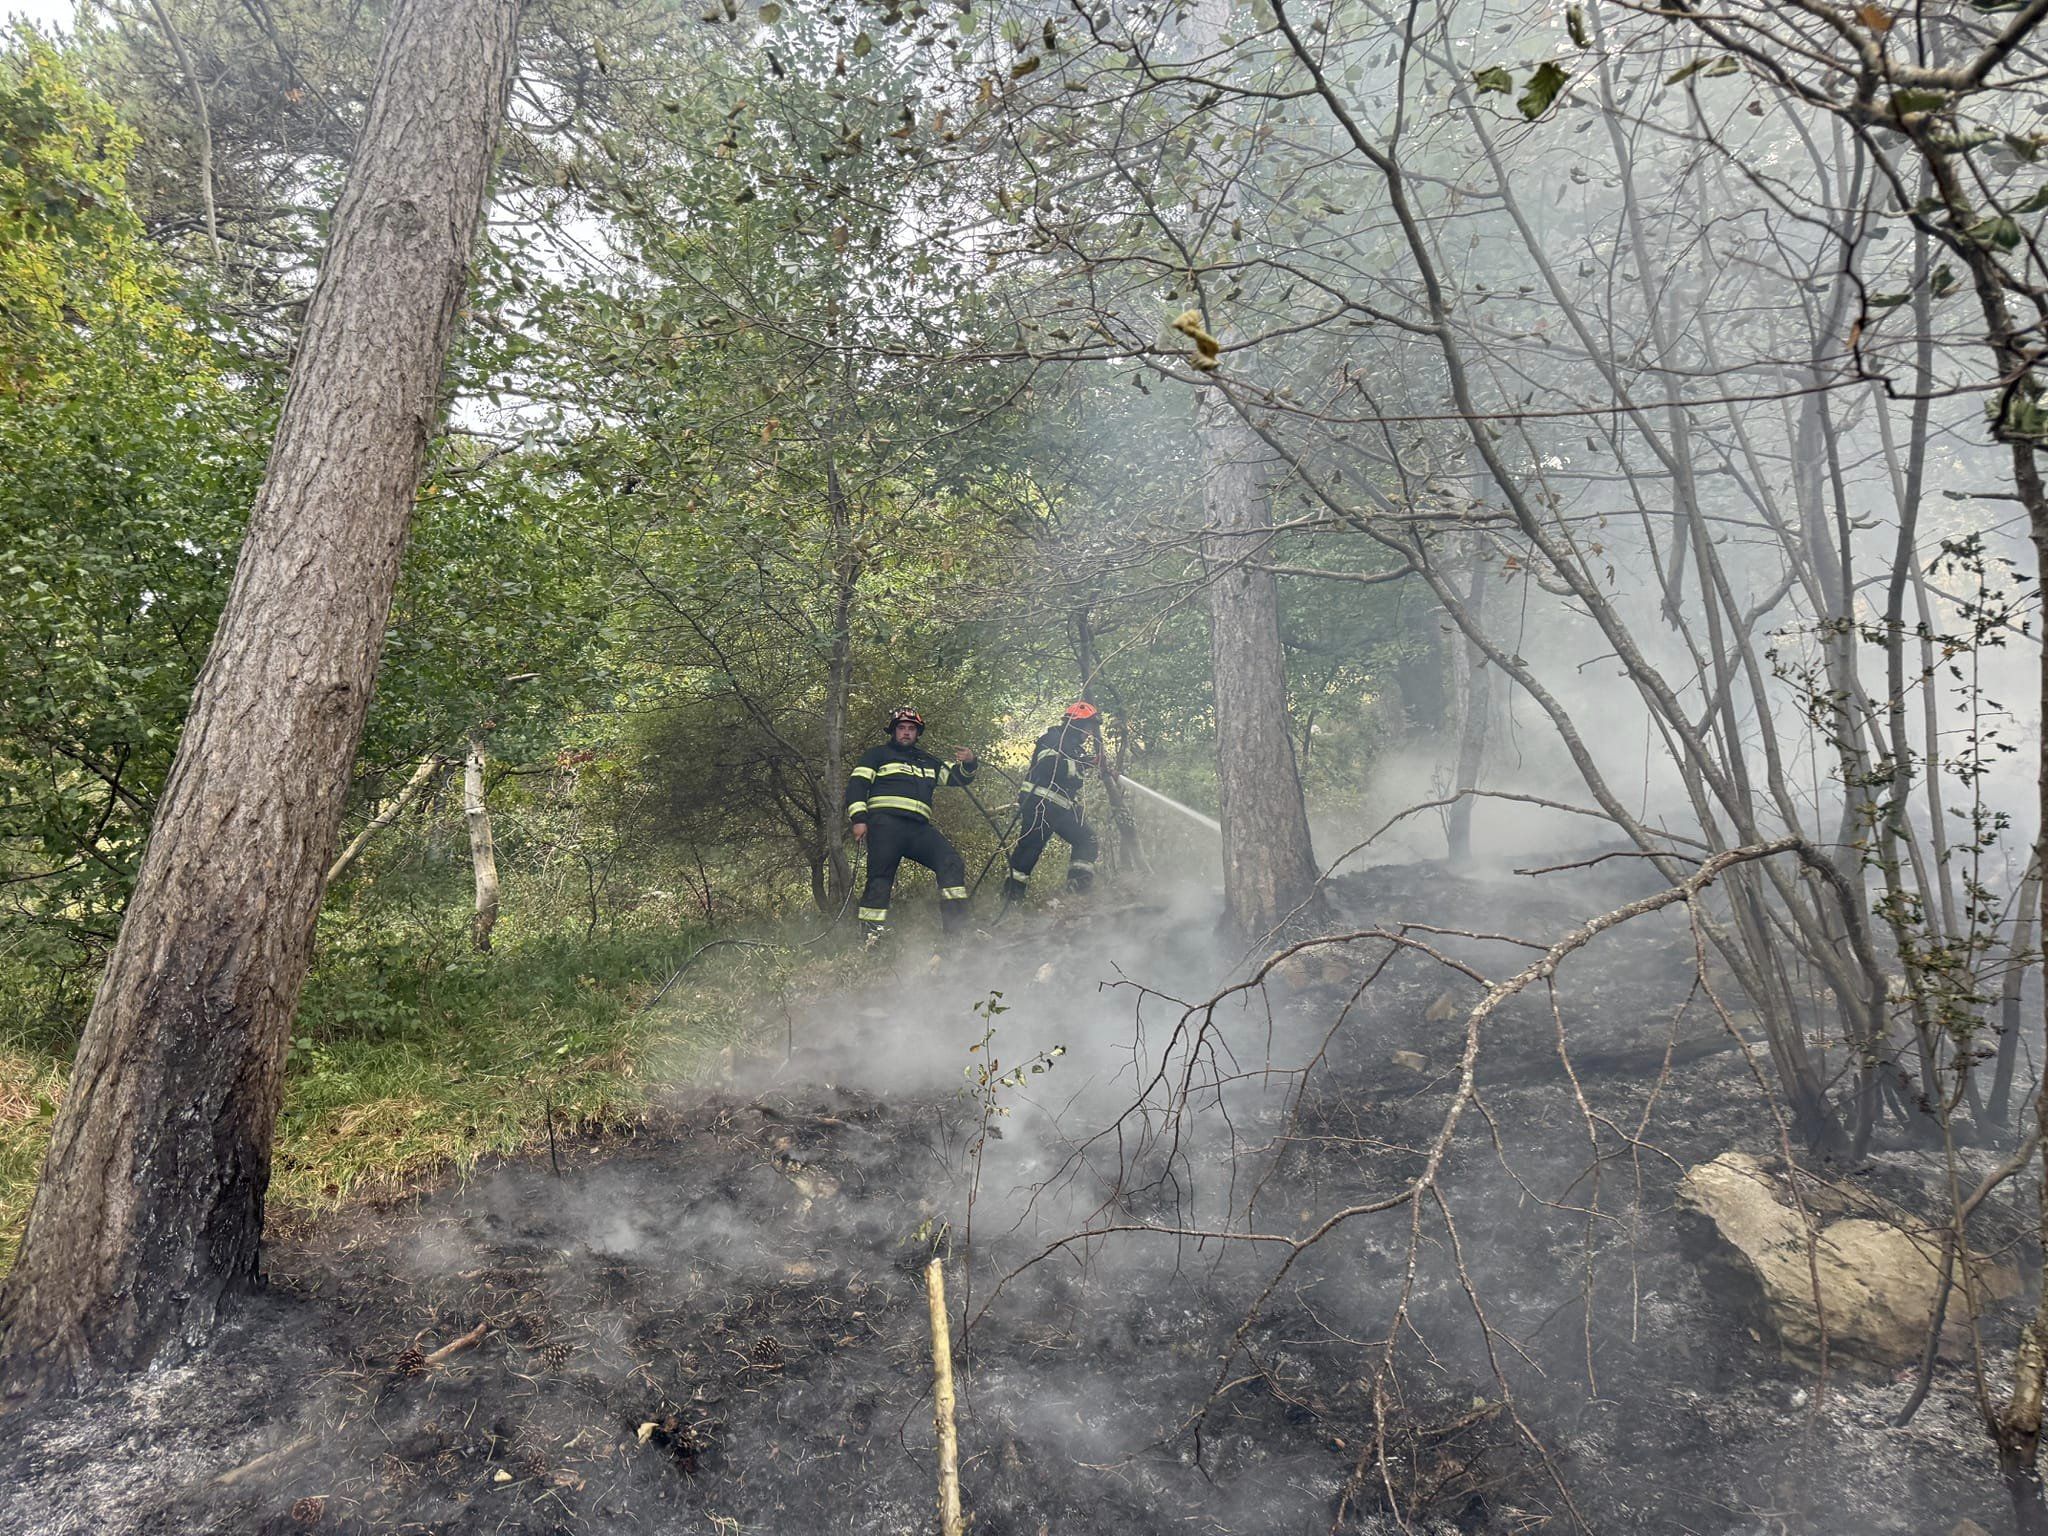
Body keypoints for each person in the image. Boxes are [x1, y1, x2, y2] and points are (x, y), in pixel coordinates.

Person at [845, 706, 979, 944]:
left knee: (950, 862)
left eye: (911, 729)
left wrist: (969, 762)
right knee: (880, 878)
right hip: (885, 825)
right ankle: (870, 938)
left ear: (918, 733)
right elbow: (857, 786)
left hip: (918, 829)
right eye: (901, 728)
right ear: (893, 731)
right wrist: (859, 819)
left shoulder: (928, 761)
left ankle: (957, 933)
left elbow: (958, 779)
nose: (906, 733)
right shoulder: (876, 755)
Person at [1003, 701, 1108, 906]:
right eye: (1087, 727)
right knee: (1029, 850)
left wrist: (1089, 762)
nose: (1089, 733)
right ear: (1076, 724)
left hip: (1060, 809)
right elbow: (1049, 766)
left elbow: (1070, 773)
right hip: (1040, 805)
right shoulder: (1052, 738)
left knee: (1087, 839)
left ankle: (1077, 895)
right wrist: (1083, 763)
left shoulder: (1074, 748)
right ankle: (1010, 901)